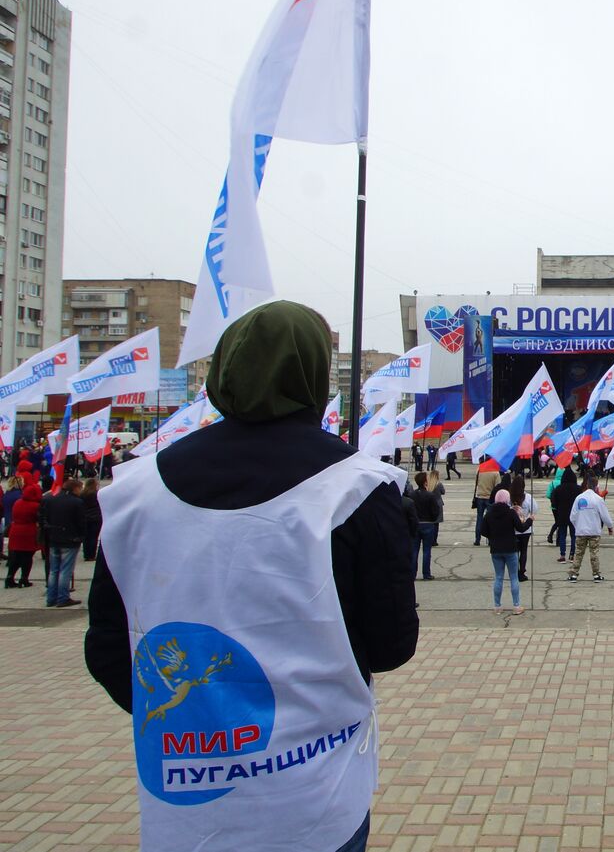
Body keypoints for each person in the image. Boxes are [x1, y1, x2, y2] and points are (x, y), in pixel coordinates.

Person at [84, 301, 418, 852]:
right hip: (314, 796)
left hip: (184, 799)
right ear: (314, 374)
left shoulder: (132, 493)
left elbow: (108, 651)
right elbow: (390, 644)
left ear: (224, 370)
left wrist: (199, 727)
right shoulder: (357, 489)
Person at [41, 478, 85, 608]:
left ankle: (51, 597)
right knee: (65, 570)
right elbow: (81, 522)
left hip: (54, 538)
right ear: (75, 488)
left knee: (54, 570)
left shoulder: (52, 499)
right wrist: (81, 536)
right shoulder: (77, 502)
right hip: (70, 539)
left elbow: (45, 517)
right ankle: (62, 597)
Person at [480, 488, 524, 615]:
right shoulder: (510, 513)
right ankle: (516, 606)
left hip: (496, 549)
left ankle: (497, 606)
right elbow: (520, 528)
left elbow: (483, 531)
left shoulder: (489, 513)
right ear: (507, 499)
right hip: (510, 548)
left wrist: (492, 536)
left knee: (498, 577)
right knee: (513, 577)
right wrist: (530, 520)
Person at [568, 476, 614, 581]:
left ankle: (574, 574)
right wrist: (610, 527)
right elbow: (605, 515)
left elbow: (572, 516)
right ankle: (596, 574)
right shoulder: (598, 499)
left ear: (587, 485)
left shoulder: (579, 498)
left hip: (581, 531)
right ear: (596, 486)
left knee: (579, 552)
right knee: (594, 553)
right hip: (594, 531)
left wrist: (577, 525)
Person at [4, 482, 39, 590]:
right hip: (28, 531)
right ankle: (24, 579)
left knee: (16, 556)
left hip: (15, 531)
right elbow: (38, 518)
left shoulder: (18, 502)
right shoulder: (35, 505)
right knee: (27, 556)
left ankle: (9, 577)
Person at [410, 471, 442, 581]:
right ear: (425, 482)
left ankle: (412, 573)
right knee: (427, 550)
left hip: (416, 523)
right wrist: (432, 519)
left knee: (414, 550)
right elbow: (435, 510)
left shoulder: (412, 495)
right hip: (428, 524)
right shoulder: (430, 495)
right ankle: (426, 573)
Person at [509, 477, 538, 582]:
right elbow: (535, 509)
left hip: (513, 529)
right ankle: (522, 571)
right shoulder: (528, 498)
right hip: (526, 529)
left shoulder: (510, 498)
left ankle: (515, 571)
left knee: (515, 551)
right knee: (524, 551)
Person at [552, 467, 581, 563]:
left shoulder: (558, 489)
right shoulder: (578, 489)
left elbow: (554, 503)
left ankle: (562, 555)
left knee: (562, 534)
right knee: (573, 535)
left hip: (562, 514)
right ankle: (572, 555)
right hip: (574, 515)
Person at [472, 465, 498, 546]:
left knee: (479, 518)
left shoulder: (480, 469)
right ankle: (490, 539)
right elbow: (497, 486)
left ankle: (477, 539)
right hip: (490, 497)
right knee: (491, 519)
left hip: (480, 496)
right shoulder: (495, 472)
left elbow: (476, 482)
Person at [80, 477, 102, 563]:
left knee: (86, 537)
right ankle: (91, 555)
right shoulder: (97, 494)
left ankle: (86, 554)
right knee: (94, 537)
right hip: (95, 517)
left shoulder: (82, 494)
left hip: (85, 517)